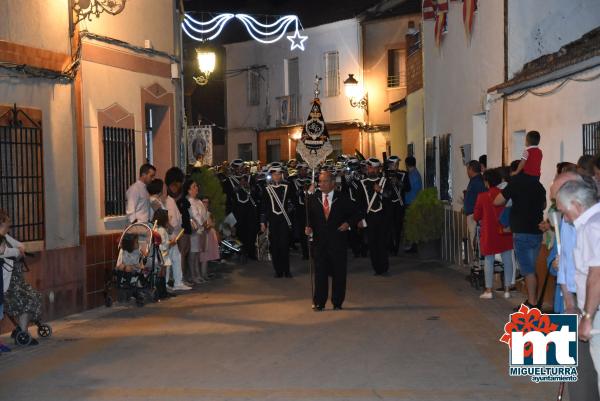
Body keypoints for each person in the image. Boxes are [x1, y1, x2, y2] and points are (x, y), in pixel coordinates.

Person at [548, 173, 600, 400]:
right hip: (579, 304)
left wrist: (587, 316)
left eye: (562, 209)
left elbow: (595, 275)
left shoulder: (590, 227)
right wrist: (569, 302)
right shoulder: (583, 224)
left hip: (593, 308)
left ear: (576, 203)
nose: (563, 217)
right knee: (580, 370)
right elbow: (566, 265)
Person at [305, 171, 363, 311]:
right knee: (320, 273)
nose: (321, 184)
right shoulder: (313, 198)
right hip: (319, 242)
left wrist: (348, 223)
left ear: (332, 183)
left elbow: (358, 212)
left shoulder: (342, 198)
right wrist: (308, 228)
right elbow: (309, 217)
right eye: (320, 181)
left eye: (324, 181)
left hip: (337, 241)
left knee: (339, 273)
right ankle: (319, 301)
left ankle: (337, 302)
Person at [494, 169, 546, 309]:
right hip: (537, 231)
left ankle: (532, 303)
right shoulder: (538, 185)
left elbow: (497, 201)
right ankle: (533, 300)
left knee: (527, 269)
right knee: (532, 267)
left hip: (522, 232)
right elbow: (544, 205)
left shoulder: (515, 183)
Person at [473, 169, 513, 299]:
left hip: (489, 232)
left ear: (486, 182)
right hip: (504, 230)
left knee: (489, 261)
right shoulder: (504, 195)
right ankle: (507, 289)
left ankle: (489, 290)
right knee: (507, 259)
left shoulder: (482, 197)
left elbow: (476, 216)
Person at [0, 209, 37, 347]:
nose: (9, 227)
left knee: (31, 297)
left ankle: (21, 331)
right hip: (4, 282)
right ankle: (22, 333)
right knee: (26, 300)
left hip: (9, 279)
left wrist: (16, 251)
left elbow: (20, 245)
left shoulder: (5, 237)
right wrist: (16, 252)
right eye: (7, 224)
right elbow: (3, 251)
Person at [357, 158, 392, 275]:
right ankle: (377, 268)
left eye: (374, 168)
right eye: (370, 167)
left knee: (382, 243)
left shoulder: (384, 181)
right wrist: (361, 219)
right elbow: (360, 203)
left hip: (382, 217)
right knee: (372, 244)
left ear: (378, 169)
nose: (371, 170)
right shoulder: (362, 183)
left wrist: (381, 191)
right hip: (369, 217)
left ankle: (384, 267)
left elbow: (390, 196)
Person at [260, 166, 294, 278]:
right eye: (275, 174)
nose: (277, 176)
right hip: (273, 221)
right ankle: (278, 270)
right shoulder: (266, 188)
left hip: (284, 220)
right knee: (275, 246)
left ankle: (287, 270)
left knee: (284, 245)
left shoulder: (288, 186)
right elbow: (264, 206)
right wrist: (263, 222)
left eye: (279, 174)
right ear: (271, 175)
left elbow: (292, 201)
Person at [164, 167, 191, 291]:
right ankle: (170, 282)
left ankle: (178, 281)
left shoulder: (172, 199)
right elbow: (171, 219)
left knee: (177, 256)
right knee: (170, 258)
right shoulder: (169, 200)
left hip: (176, 230)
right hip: (172, 232)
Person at [180, 179, 208, 284]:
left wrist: (205, 222)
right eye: (194, 187)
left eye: (196, 186)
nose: (197, 188)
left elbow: (204, 215)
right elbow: (195, 215)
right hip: (194, 231)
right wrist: (202, 222)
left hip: (201, 230)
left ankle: (197, 274)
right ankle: (193, 275)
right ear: (188, 190)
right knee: (193, 253)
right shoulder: (189, 201)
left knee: (197, 253)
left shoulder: (199, 201)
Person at [385, 156, 411, 256]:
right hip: (388, 205)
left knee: (397, 227)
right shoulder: (385, 175)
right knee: (388, 226)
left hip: (399, 205)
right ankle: (390, 246)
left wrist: (399, 183)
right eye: (392, 164)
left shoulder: (404, 174)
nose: (394, 166)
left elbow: (408, 188)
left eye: (396, 164)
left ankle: (395, 248)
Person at [463, 160, 486, 263]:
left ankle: (478, 269)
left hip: (475, 216)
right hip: (472, 214)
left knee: (475, 243)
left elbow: (481, 200)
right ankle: (477, 267)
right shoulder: (474, 180)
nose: (467, 172)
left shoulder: (477, 182)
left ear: (471, 169)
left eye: (467, 169)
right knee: (475, 242)